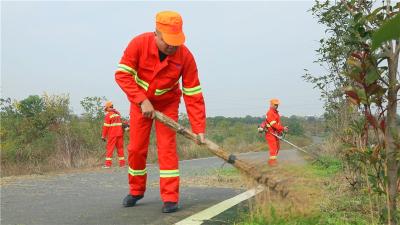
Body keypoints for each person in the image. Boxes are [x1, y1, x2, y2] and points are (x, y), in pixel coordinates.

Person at [115, 11, 206, 213]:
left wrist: (199, 128)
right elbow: (122, 75)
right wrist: (141, 100)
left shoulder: (186, 57)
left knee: (167, 148)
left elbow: (193, 94)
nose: (172, 47)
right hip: (140, 104)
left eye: (176, 42)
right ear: (156, 33)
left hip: (167, 103)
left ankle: (170, 197)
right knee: (136, 149)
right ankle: (136, 190)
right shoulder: (138, 44)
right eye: (168, 42)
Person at [259, 99, 288, 166]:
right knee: (273, 148)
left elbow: (278, 124)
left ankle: (271, 161)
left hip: (276, 133)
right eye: (275, 104)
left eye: (277, 105)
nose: (276, 106)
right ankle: (272, 163)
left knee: (277, 147)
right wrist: (282, 128)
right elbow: (274, 124)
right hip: (270, 133)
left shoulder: (276, 113)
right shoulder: (270, 113)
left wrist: (281, 131)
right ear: (271, 104)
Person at [101, 101, 126, 168]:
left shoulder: (108, 115)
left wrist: (103, 136)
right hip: (120, 134)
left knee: (110, 149)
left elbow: (106, 127)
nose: (106, 110)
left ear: (108, 108)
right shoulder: (117, 114)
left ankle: (108, 164)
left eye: (106, 109)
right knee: (120, 149)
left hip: (112, 135)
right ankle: (122, 164)